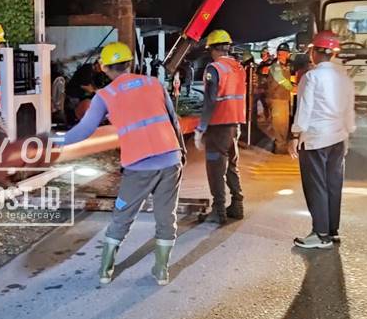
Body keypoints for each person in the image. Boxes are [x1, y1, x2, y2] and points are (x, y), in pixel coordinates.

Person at [61, 42, 186, 286]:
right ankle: (161, 271)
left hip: (138, 166)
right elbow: (174, 121)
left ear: (104, 67)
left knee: (122, 215)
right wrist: (181, 152)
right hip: (170, 160)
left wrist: (56, 142)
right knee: (166, 217)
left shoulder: (105, 95)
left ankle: (105, 271)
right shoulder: (154, 83)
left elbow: (85, 129)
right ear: (130, 63)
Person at [288, 31, 355, 249]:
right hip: (338, 137)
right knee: (333, 184)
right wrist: (348, 134)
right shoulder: (344, 77)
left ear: (314, 52)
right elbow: (349, 111)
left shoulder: (311, 77)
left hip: (316, 139)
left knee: (316, 186)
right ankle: (332, 230)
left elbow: (304, 109)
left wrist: (295, 135)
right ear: (332, 53)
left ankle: (320, 234)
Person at [194, 29, 247, 225]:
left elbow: (210, 101)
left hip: (218, 125)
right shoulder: (238, 67)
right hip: (235, 124)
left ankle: (218, 210)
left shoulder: (214, 68)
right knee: (231, 164)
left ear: (212, 49)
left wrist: (200, 129)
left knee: (216, 167)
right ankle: (237, 204)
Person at [266, 42, 295, 154]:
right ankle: (280, 148)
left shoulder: (284, 66)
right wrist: (293, 88)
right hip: (277, 98)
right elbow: (281, 80)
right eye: (280, 53)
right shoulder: (276, 66)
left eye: (283, 53)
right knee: (280, 125)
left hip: (282, 98)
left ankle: (281, 146)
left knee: (283, 124)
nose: (281, 55)